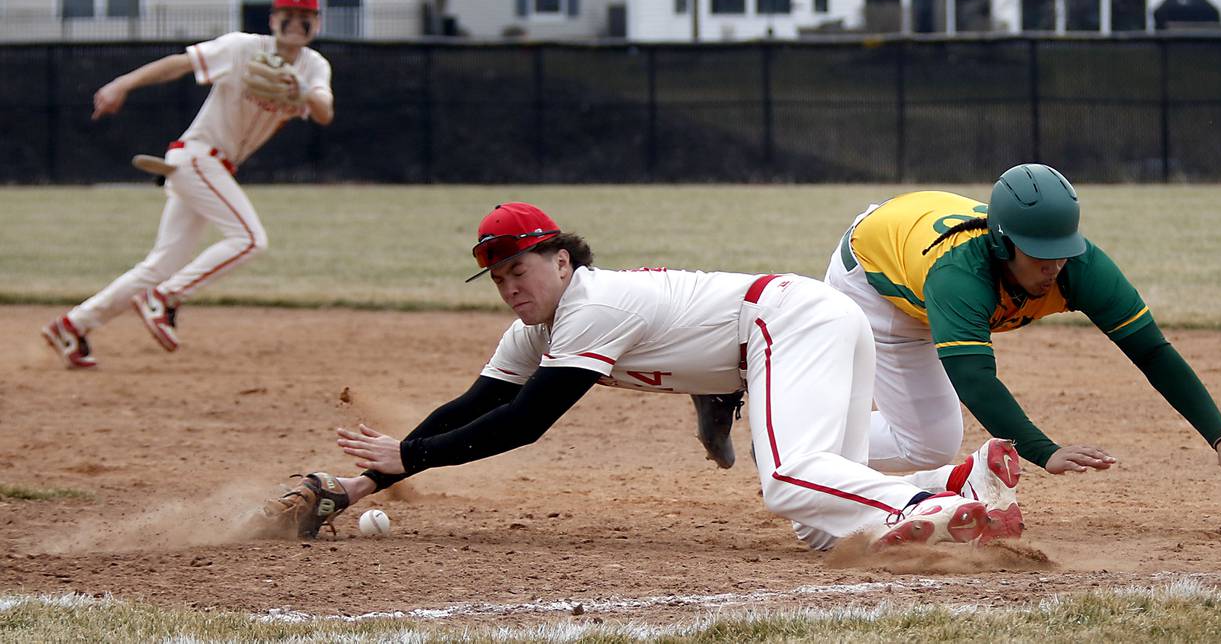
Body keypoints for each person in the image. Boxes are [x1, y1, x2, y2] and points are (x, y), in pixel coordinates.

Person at [261, 202, 1028, 551]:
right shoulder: (538, 328)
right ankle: (956, 480)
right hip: (798, 322)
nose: (510, 285)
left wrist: (415, 458)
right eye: (498, 277)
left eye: (520, 267)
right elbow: (477, 403)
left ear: (562, 259)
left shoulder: (591, 304)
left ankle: (922, 503)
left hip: (788, 321)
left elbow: (527, 421)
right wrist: (364, 483)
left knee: (787, 480)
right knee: (816, 523)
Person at [823, 163, 1221, 515]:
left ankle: (819, 441)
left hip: (914, 237)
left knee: (932, 439)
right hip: (874, 281)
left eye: (1062, 253)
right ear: (1004, 245)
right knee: (928, 443)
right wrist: (1045, 451)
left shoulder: (1080, 267)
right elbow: (975, 379)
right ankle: (811, 445)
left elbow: (1151, 351)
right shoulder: (960, 278)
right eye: (1041, 255)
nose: (1054, 267)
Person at [41, 0, 334, 369]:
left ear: (316, 22)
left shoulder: (313, 65)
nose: (296, 23)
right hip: (197, 158)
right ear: (273, 19)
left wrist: (301, 90)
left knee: (160, 264)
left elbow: (324, 111)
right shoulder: (243, 47)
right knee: (249, 239)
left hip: (209, 166)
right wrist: (123, 83)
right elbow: (180, 63)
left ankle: (73, 325)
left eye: (305, 17)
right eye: (288, 16)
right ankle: (164, 297)